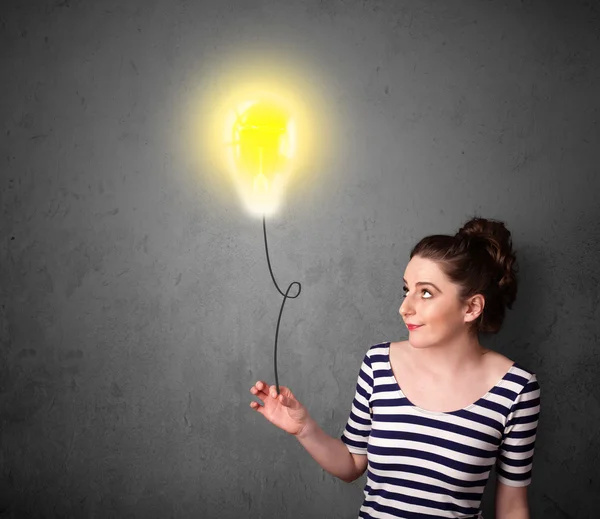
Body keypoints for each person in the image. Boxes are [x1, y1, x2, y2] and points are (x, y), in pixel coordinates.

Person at [249, 216, 541, 519]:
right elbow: (351, 466)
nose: (405, 307)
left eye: (425, 292)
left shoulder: (516, 390)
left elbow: (512, 507)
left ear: (471, 308)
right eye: (406, 290)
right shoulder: (378, 364)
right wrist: (303, 428)